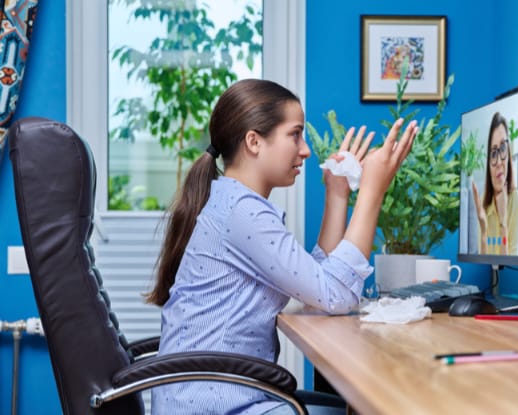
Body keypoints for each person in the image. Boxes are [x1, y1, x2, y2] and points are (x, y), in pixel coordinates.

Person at [148, 78, 417, 414]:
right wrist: (373, 192)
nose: (305, 149)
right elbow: (334, 295)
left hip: (219, 398)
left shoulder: (235, 202)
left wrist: (337, 193)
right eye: (295, 134)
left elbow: (318, 286)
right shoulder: (241, 211)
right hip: (215, 406)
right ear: (254, 141)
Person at [471, 111, 518, 255]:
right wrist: (483, 230)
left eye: (503, 148)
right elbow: (483, 259)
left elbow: (510, 262)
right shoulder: (483, 200)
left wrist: (503, 222)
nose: (499, 161)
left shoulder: (515, 199)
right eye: (493, 153)